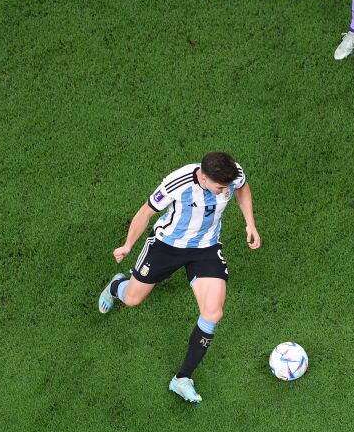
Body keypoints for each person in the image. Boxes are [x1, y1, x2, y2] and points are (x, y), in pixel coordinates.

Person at [97, 152, 261, 404]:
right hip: (167, 246)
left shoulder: (232, 173)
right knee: (131, 300)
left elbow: (242, 188)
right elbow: (146, 212)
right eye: (220, 187)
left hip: (205, 248)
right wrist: (128, 245)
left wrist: (250, 223)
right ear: (204, 178)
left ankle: (182, 378)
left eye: (227, 186)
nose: (224, 191)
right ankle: (117, 284)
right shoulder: (178, 182)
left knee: (213, 313)